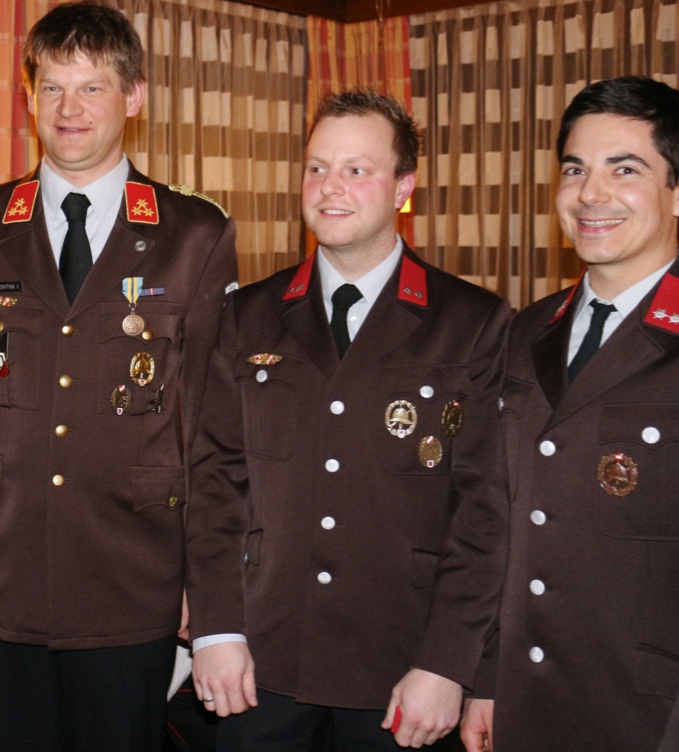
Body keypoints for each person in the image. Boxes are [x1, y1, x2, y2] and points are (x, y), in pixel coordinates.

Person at [0, 1, 238, 752]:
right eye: (52, 87)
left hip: (135, 567)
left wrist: (208, 577)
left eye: (91, 87)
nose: (69, 109)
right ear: (28, 97)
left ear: (134, 96)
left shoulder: (195, 233)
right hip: (0, 565)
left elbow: (211, 427)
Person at [185, 88, 510, 751]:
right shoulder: (247, 315)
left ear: (403, 188)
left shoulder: (471, 323)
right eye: (317, 167)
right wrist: (216, 629)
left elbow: (485, 513)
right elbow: (215, 481)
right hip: (262, 657)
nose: (330, 187)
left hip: (403, 663)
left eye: (357, 169)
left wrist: (450, 662)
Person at [460, 76, 679, 751]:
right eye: (574, 170)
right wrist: (486, 679)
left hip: (656, 719)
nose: (591, 194)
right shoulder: (527, 332)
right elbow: (498, 524)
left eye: (625, 170)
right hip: (524, 709)